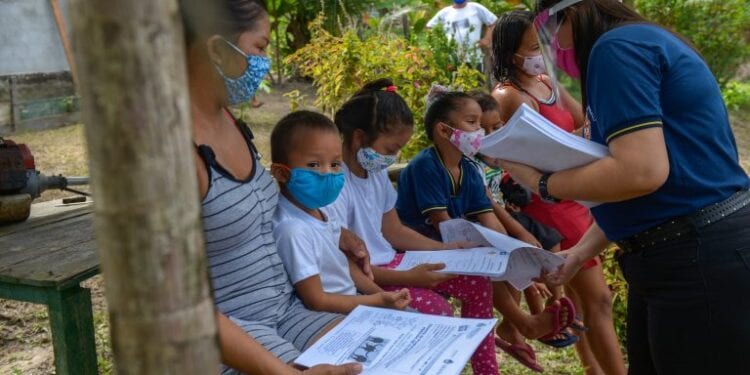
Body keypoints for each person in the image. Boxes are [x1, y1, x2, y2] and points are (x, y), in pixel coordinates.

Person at [501, 1, 750, 374]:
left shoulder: (615, 49)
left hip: (693, 256)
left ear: (570, 15)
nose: (555, 47)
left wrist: (543, 183)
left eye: (550, 33)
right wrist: (578, 253)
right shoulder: (639, 40)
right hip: (681, 250)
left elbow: (639, 172)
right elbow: (644, 188)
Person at [181, 0, 363, 373]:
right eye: (260, 48)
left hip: (286, 310)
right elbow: (176, 307)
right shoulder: (174, 149)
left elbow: (256, 205)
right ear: (217, 49)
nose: (264, 62)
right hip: (229, 332)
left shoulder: (230, 121)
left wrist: (336, 232)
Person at [324, 79, 499, 375]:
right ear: (358, 138)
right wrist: (409, 277)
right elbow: (346, 265)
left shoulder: (374, 171)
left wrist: (446, 249)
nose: (393, 157)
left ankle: (487, 371)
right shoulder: (334, 184)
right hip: (369, 279)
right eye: (391, 148)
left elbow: (394, 231)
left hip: (393, 263)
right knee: (437, 311)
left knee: (477, 283)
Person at [395, 89, 577, 373]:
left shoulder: (468, 169)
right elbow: (442, 226)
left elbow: (489, 219)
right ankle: (523, 323)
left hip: (453, 246)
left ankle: (500, 352)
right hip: (419, 248)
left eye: (481, 123)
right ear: (444, 130)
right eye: (472, 122)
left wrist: (524, 258)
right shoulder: (425, 167)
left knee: (497, 258)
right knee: (482, 270)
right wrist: (495, 253)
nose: (479, 131)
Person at [489, 9, 625, 374]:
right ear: (509, 53)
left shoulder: (548, 83)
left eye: (540, 44)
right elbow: (539, 150)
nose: (539, 53)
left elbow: (583, 123)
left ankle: (593, 367)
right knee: (598, 299)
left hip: (572, 195)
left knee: (584, 299)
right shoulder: (509, 95)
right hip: (547, 203)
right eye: (531, 47)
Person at [271, 110, 411, 314]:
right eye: (314, 165)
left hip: (355, 301)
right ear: (282, 173)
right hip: (334, 316)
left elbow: (344, 264)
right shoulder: (293, 230)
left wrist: (382, 296)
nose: (328, 173)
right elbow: (317, 301)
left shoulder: (319, 213)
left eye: (335, 164)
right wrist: (377, 302)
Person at [426, 0, 497, 69]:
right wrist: (439, 44)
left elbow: (493, 21)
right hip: (452, 60)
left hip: (473, 58)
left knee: (477, 80)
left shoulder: (476, 8)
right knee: (453, 80)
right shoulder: (445, 12)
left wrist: (487, 39)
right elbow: (429, 27)